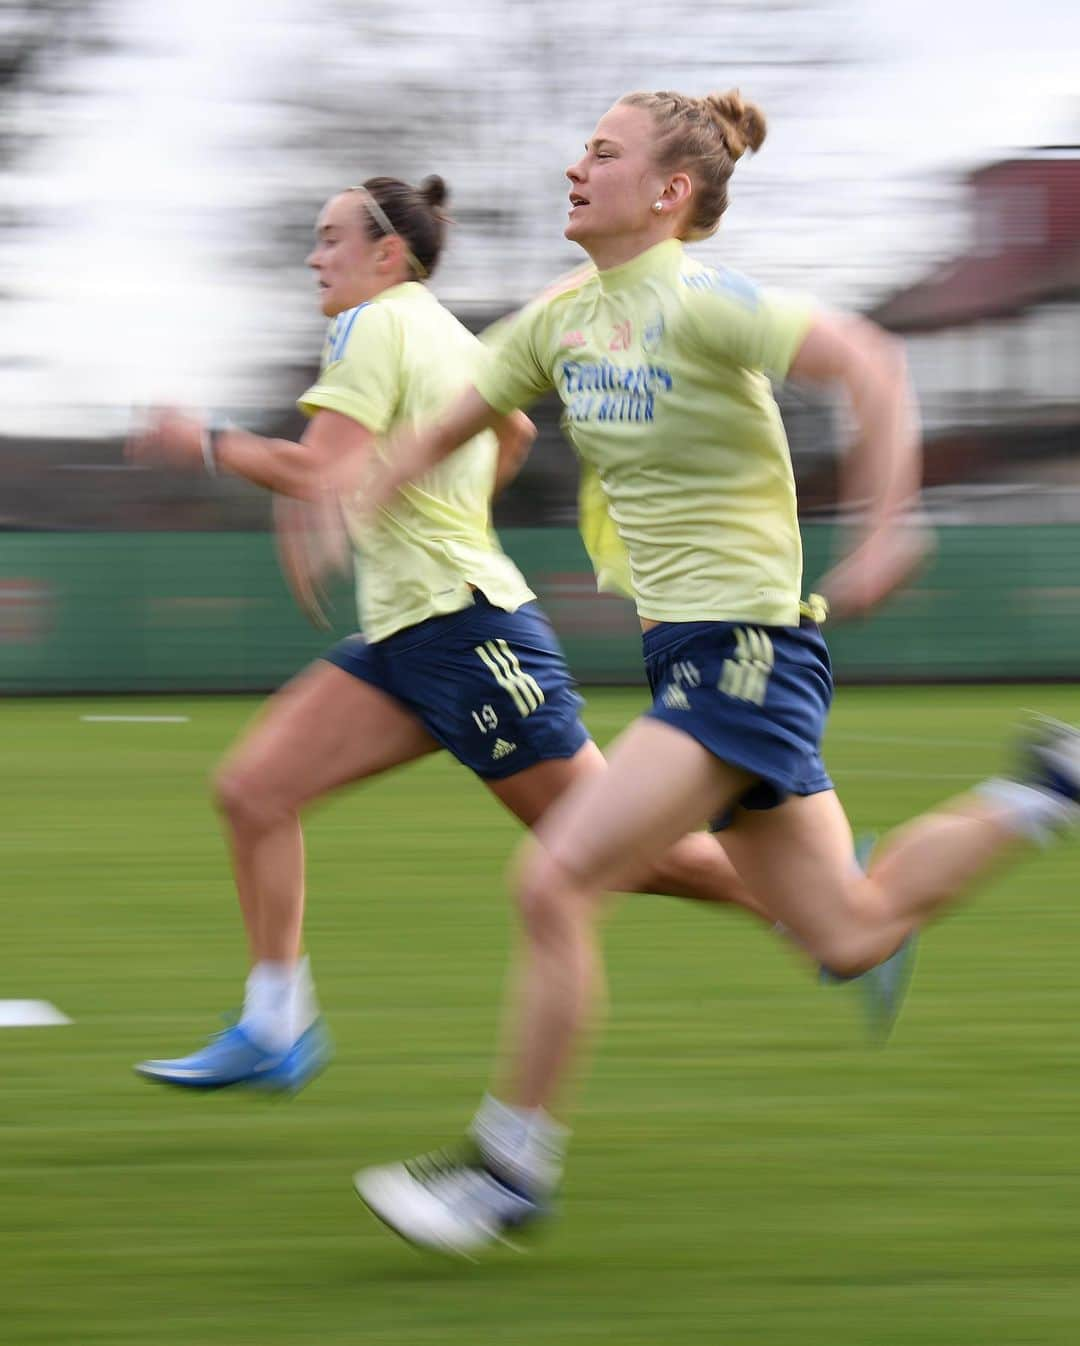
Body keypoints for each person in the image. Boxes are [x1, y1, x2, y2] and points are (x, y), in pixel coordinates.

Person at [348, 90, 1080, 1255]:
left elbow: (876, 362)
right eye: (581, 147)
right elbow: (456, 414)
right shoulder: (563, 319)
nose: (576, 164)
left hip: (749, 652)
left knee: (555, 880)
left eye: (604, 151)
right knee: (848, 932)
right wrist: (376, 478)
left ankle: (508, 1167)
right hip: (695, 657)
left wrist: (893, 521)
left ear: (670, 192)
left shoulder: (703, 301)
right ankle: (1047, 789)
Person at [126, 171, 820, 1095]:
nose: (313, 257)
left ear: (387, 254)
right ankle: (275, 1023)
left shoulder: (374, 324)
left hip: (469, 637)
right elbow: (519, 433)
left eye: (330, 239)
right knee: (253, 791)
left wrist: (202, 440)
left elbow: (316, 469)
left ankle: (812, 904)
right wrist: (446, 517)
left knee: (616, 851)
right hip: (411, 634)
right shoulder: (448, 335)